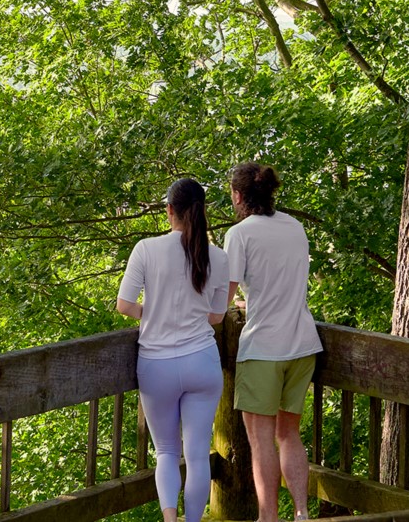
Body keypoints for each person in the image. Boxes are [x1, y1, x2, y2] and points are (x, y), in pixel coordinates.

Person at [117, 178, 229, 522]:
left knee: (166, 451)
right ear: (202, 211)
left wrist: (152, 313)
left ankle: (170, 520)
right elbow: (217, 316)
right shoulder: (219, 258)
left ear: (169, 210)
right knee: (196, 456)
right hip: (202, 363)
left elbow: (124, 304)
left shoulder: (146, 249)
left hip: (157, 366)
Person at [224, 162, 323, 522]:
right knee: (289, 433)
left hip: (264, 348)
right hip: (302, 343)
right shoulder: (295, 228)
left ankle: (268, 518)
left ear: (238, 196)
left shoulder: (240, 234)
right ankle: (300, 513)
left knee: (261, 440)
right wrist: (252, 301)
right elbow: (284, 285)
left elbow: (223, 296)